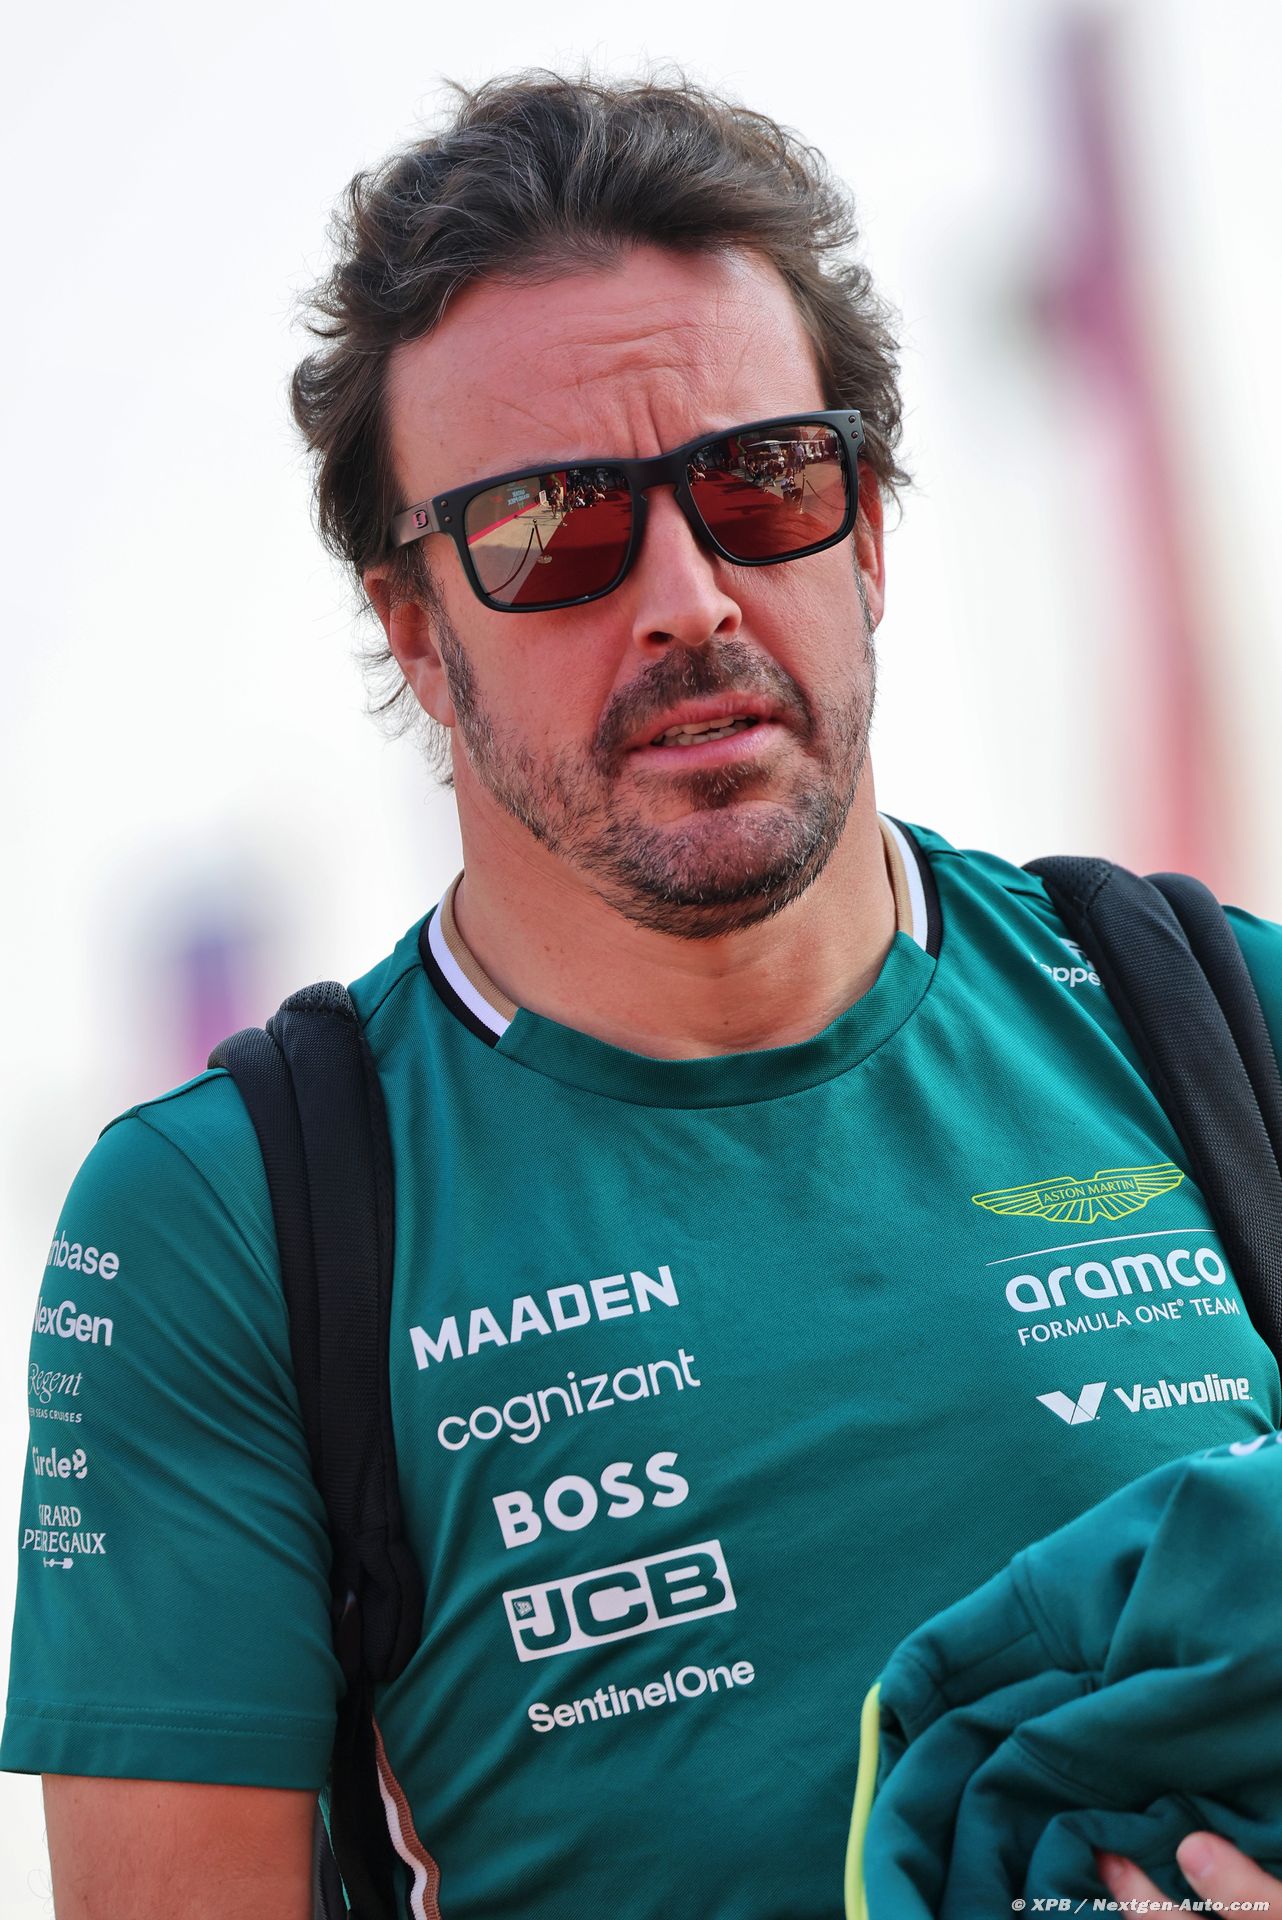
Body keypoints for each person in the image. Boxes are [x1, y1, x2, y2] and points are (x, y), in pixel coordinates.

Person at [5, 72, 1281, 1920]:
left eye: (763, 484)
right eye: (552, 530)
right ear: (416, 630)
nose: (687, 598)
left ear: (864, 528)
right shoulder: (227, 1230)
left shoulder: (1215, 1024)